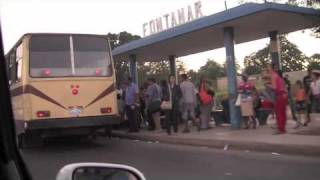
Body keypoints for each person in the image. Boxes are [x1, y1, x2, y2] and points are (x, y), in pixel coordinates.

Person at [269, 64, 288, 135]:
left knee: (279, 113)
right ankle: (283, 128)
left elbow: (274, 88)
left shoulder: (276, 79)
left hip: (279, 96)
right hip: (284, 96)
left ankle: (280, 129)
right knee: (283, 113)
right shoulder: (282, 80)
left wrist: (269, 86)